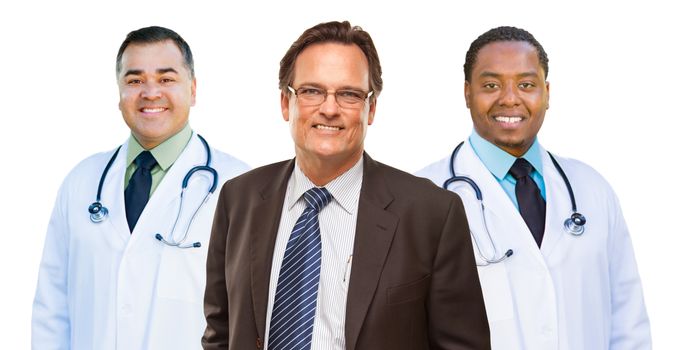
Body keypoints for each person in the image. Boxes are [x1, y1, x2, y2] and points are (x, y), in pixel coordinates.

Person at [202, 20, 490, 350]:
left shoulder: (432, 214)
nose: (329, 109)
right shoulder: (238, 199)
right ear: (286, 102)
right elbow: (220, 332)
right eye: (311, 91)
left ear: (371, 109)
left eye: (349, 94)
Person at [416, 26, 651, 349]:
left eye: (526, 84)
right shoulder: (423, 197)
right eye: (491, 85)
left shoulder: (593, 191)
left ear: (547, 92)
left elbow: (629, 324)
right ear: (467, 93)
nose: (510, 98)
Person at [31, 26, 249, 349]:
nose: (150, 92)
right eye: (134, 81)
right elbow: (52, 312)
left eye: (166, 79)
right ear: (119, 94)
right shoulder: (80, 184)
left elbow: (253, 316)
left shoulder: (239, 188)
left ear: (193, 89)